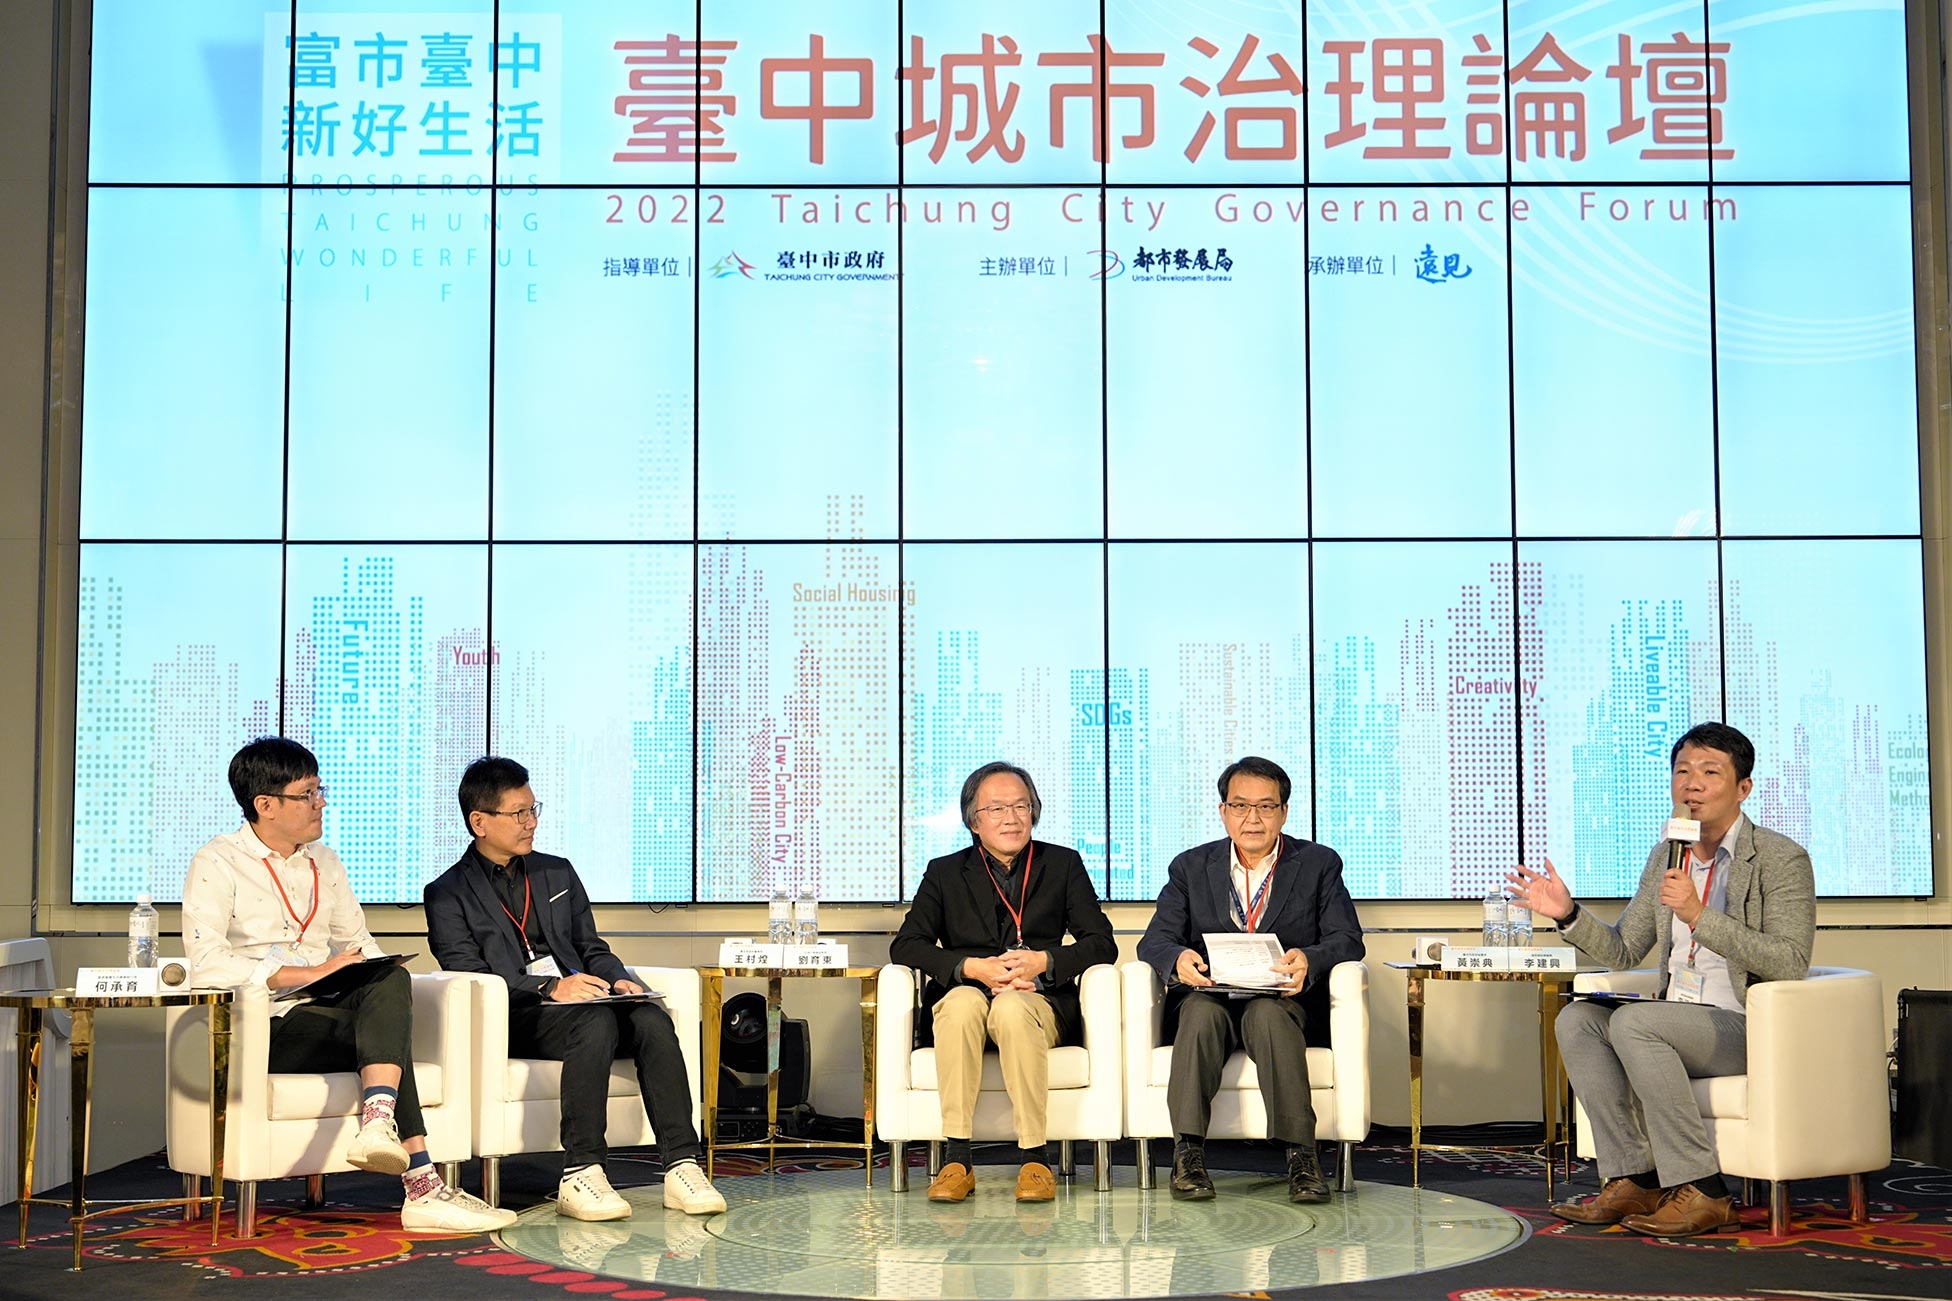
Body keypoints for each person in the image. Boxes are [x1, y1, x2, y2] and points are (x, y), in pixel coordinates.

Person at [182, 737, 514, 1232]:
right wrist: (306, 974)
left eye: (320, 791)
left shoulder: (325, 861)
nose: (321, 803)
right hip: (264, 1026)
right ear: (265, 805)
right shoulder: (217, 862)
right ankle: (422, 1186)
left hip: (328, 1010)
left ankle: (378, 1123)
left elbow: (359, 943)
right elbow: (206, 962)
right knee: (388, 1041)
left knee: (390, 976)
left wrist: (368, 970)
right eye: (307, 794)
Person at [1507, 721, 1815, 1237]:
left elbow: (1789, 961)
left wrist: (1698, 916)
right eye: (1682, 772)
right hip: (1677, 1018)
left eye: (1710, 773)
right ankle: (1635, 1177)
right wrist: (1568, 914)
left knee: (1637, 1024)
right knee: (1577, 1019)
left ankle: (1705, 1189)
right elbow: (1624, 950)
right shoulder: (1668, 855)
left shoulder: (1780, 859)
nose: (1691, 784)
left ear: (1743, 788)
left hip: (1745, 1024)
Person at [424, 756, 724, 1221]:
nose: (531, 822)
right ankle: (582, 1172)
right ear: (479, 822)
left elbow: (590, 947)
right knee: (594, 1022)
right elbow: (467, 973)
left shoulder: (556, 872)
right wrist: (548, 988)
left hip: (585, 1004)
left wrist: (619, 979)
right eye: (518, 813)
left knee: (650, 1018)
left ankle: (682, 1165)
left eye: (533, 809)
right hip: (517, 1016)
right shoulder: (447, 893)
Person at [1135, 756, 1364, 1204]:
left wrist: (1310, 959)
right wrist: (1178, 958)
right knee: (1198, 1016)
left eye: (1265, 806)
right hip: (1212, 994)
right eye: (1240, 806)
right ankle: (1187, 1155)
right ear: (1223, 811)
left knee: (1267, 1017)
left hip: (1281, 998)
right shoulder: (1190, 867)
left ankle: (1302, 1157)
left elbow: (1347, 939)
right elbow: (1155, 941)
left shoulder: (1317, 863)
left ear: (1284, 812)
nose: (1252, 818)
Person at [890, 762, 1117, 1204]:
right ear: (974, 821)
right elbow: (907, 945)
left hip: (1037, 1001)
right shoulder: (945, 872)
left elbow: (1101, 943)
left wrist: (1044, 962)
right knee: (960, 1005)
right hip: (968, 997)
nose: (1011, 818)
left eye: (1020, 806)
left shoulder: (1063, 864)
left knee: (1012, 1008)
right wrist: (969, 968)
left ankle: (1035, 1159)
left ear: (1034, 812)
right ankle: (957, 1160)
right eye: (996, 809)